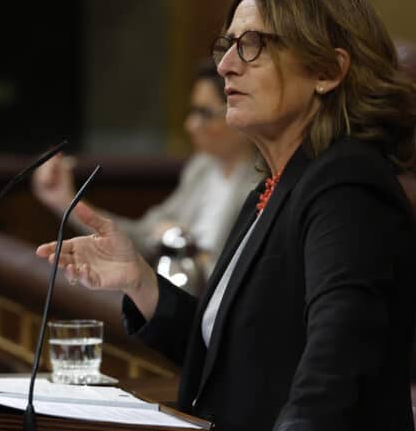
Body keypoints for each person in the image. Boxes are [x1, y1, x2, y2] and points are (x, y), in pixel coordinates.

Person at [37, 0, 416, 431]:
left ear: (328, 72)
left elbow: (345, 325)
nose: (224, 65)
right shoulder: (275, 187)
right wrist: (141, 283)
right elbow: (235, 352)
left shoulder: (346, 182)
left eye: (253, 46)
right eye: (228, 45)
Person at [31, 62, 261, 277]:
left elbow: (238, 279)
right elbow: (141, 236)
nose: (190, 125)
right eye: (192, 112)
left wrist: (178, 240)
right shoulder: (201, 168)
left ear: (238, 111)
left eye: (205, 114)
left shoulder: (264, 180)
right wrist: (64, 201)